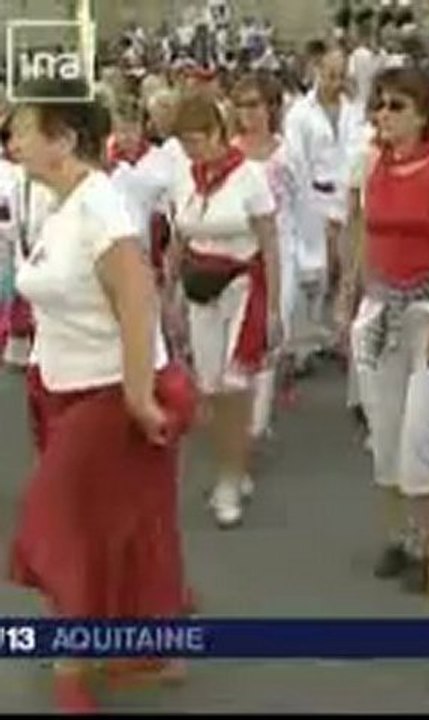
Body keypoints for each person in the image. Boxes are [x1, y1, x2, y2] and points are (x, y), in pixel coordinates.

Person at [7, 78, 195, 712]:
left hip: (110, 389)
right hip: (63, 386)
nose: (13, 138)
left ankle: (71, 668)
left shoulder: (101, 205)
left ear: (61, 139)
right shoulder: (58, 202)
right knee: (112, 522)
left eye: (24, 127)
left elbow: (137, 303)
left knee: (57, 523)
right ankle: (142, 628)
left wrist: (140, 396)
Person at [348, 66, 429, 592]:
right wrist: (349, 293)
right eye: (380, 105)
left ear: (424, 114)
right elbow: (363, 233)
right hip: (382, 307)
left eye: (397, 107)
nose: (385, 117)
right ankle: (401, 536)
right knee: (385, 427)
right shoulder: (371, 163)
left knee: (425, 434)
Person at [170, 91, 281, 528]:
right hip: (200, 288)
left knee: (236, 386)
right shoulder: (184, 179)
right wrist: (170, 295)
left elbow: (269, 241)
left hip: (241, 284)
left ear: (218, 133)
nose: (191, 150)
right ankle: (231, 461)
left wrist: (273, 306)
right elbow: (178, 238)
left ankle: (230, 479)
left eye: (197, 140)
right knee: (210, 388)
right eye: (184, 143)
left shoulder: (249, 176)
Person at [284, 40, 367, 372]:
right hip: (313, 198)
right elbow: (296, 163)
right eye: (329, 74)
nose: (335, 81)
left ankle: (341, 336)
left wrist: (352, 198)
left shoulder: (355, 111)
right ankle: (303, 344)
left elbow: (361, 152)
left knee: (349, 272)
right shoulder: (300, 114)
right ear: (316, 72)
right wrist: (307, 207)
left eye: (340, 74)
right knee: (314, 273)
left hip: (349, 197)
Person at [231, 72, 302, 440]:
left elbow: (302, 205)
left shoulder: (287, 153)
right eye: (242, 105)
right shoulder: (230, 154)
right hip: (240, 255)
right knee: (241, 335)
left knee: (272, 329)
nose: (249, 113)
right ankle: (244, 417)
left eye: (255, 105)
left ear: (271, 108)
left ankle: (257, 421)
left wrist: (309, 256)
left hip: (282, 252)